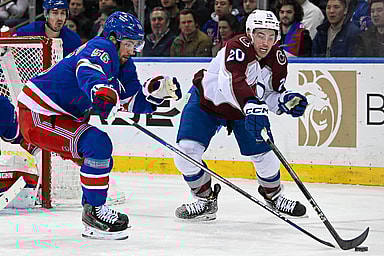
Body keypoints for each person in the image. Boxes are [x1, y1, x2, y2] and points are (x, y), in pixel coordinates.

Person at [17, 11, 182, 239]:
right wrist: (101, 91)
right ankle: (94, 214)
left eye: (137, 44)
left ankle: (92, 211)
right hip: (38, 113)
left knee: (100, 157)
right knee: (97, 143)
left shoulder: (124, 65)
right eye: (129, 43)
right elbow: (88, 70)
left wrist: (156, 94)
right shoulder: (101, 47)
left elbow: (131, 100)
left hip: (60, 115)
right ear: (114, 38)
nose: (132, 50)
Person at [173, 10, 308, 221]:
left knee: (265, 154)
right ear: (249, 33)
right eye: (260, 35)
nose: (266, 42)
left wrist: (285, 101)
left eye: (271, 36)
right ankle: (205, 199)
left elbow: (271, 93)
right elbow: (231, 83)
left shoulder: (278, 59)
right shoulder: (236, 46)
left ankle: (274, 195)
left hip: (245, 108)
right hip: (207, 102)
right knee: (186, 151)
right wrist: (253, 106)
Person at [16, 0, 82, 57]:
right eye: (55, 13)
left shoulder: (74, 40)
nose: (59, 18)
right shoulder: (26, 33)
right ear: (46, 14)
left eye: (62, 13)